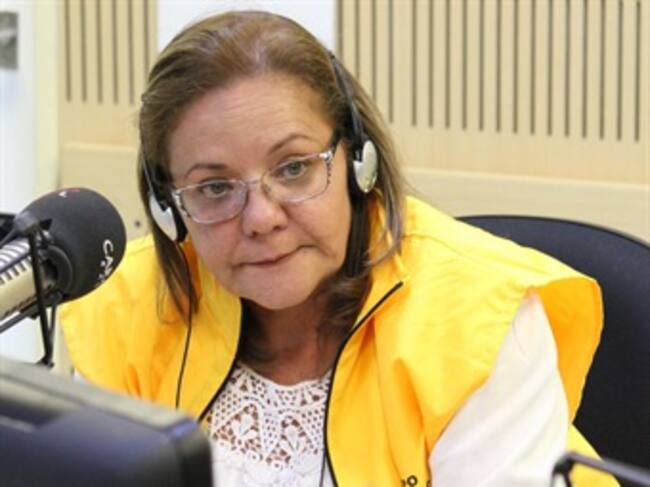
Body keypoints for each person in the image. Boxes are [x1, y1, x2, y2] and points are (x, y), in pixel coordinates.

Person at [61, 10, 616, 487]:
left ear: (358, 161)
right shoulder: (127, 307)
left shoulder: (477, 320)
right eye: (214, 187)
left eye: (294, 168)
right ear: (169, 208)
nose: (261, 218)